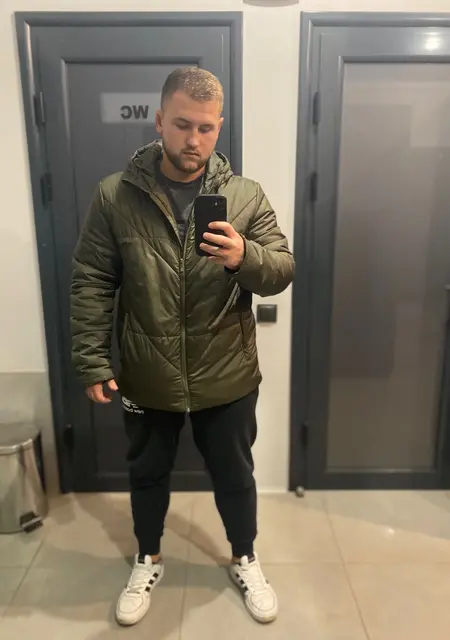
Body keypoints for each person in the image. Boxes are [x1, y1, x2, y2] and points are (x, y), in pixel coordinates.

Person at [70, 67, 294, 626]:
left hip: (227, 371)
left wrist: (245, 257)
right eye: (182, 125)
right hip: (147, 372)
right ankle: (147, 557)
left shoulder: (244, 195)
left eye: (206, 128)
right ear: (159, 121)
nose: (194, 140)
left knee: (236, 475)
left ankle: (244, 556)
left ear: (220, 126)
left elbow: (282, 269)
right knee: (146, 473)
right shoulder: (115, 195)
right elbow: (92, 279)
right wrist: (92, 359)